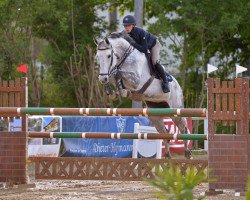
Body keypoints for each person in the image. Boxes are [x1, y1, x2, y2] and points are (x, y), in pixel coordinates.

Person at [122, 15, 170, 93]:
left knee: (154, 61)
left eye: (128, 25)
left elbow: (144, 49)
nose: (126, 27)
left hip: (153, 45)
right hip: (141, 46)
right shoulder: (124, 34)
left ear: (133, 25)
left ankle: (165, 82)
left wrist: (132, 43)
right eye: (125, 26)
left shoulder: (140, 32)